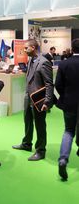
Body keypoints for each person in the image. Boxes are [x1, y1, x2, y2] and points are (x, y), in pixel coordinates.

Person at [12, 39, 54, 161]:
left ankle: (41, 150)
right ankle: (26, 144)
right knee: (28, 121)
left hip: (39, 100)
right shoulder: (31, 60)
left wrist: (47, 101)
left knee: (40, 125)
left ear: (33, 48)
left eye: (26, 48)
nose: (24, 50)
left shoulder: (44, 62)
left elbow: (49, 84)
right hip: (28, 97)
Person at [55, 39, 79, 181]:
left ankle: (63, 160)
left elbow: (58, 85)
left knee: (68, 130)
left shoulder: (64, 64)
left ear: (72, 49)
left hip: (69, 103)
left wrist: (65, 96)